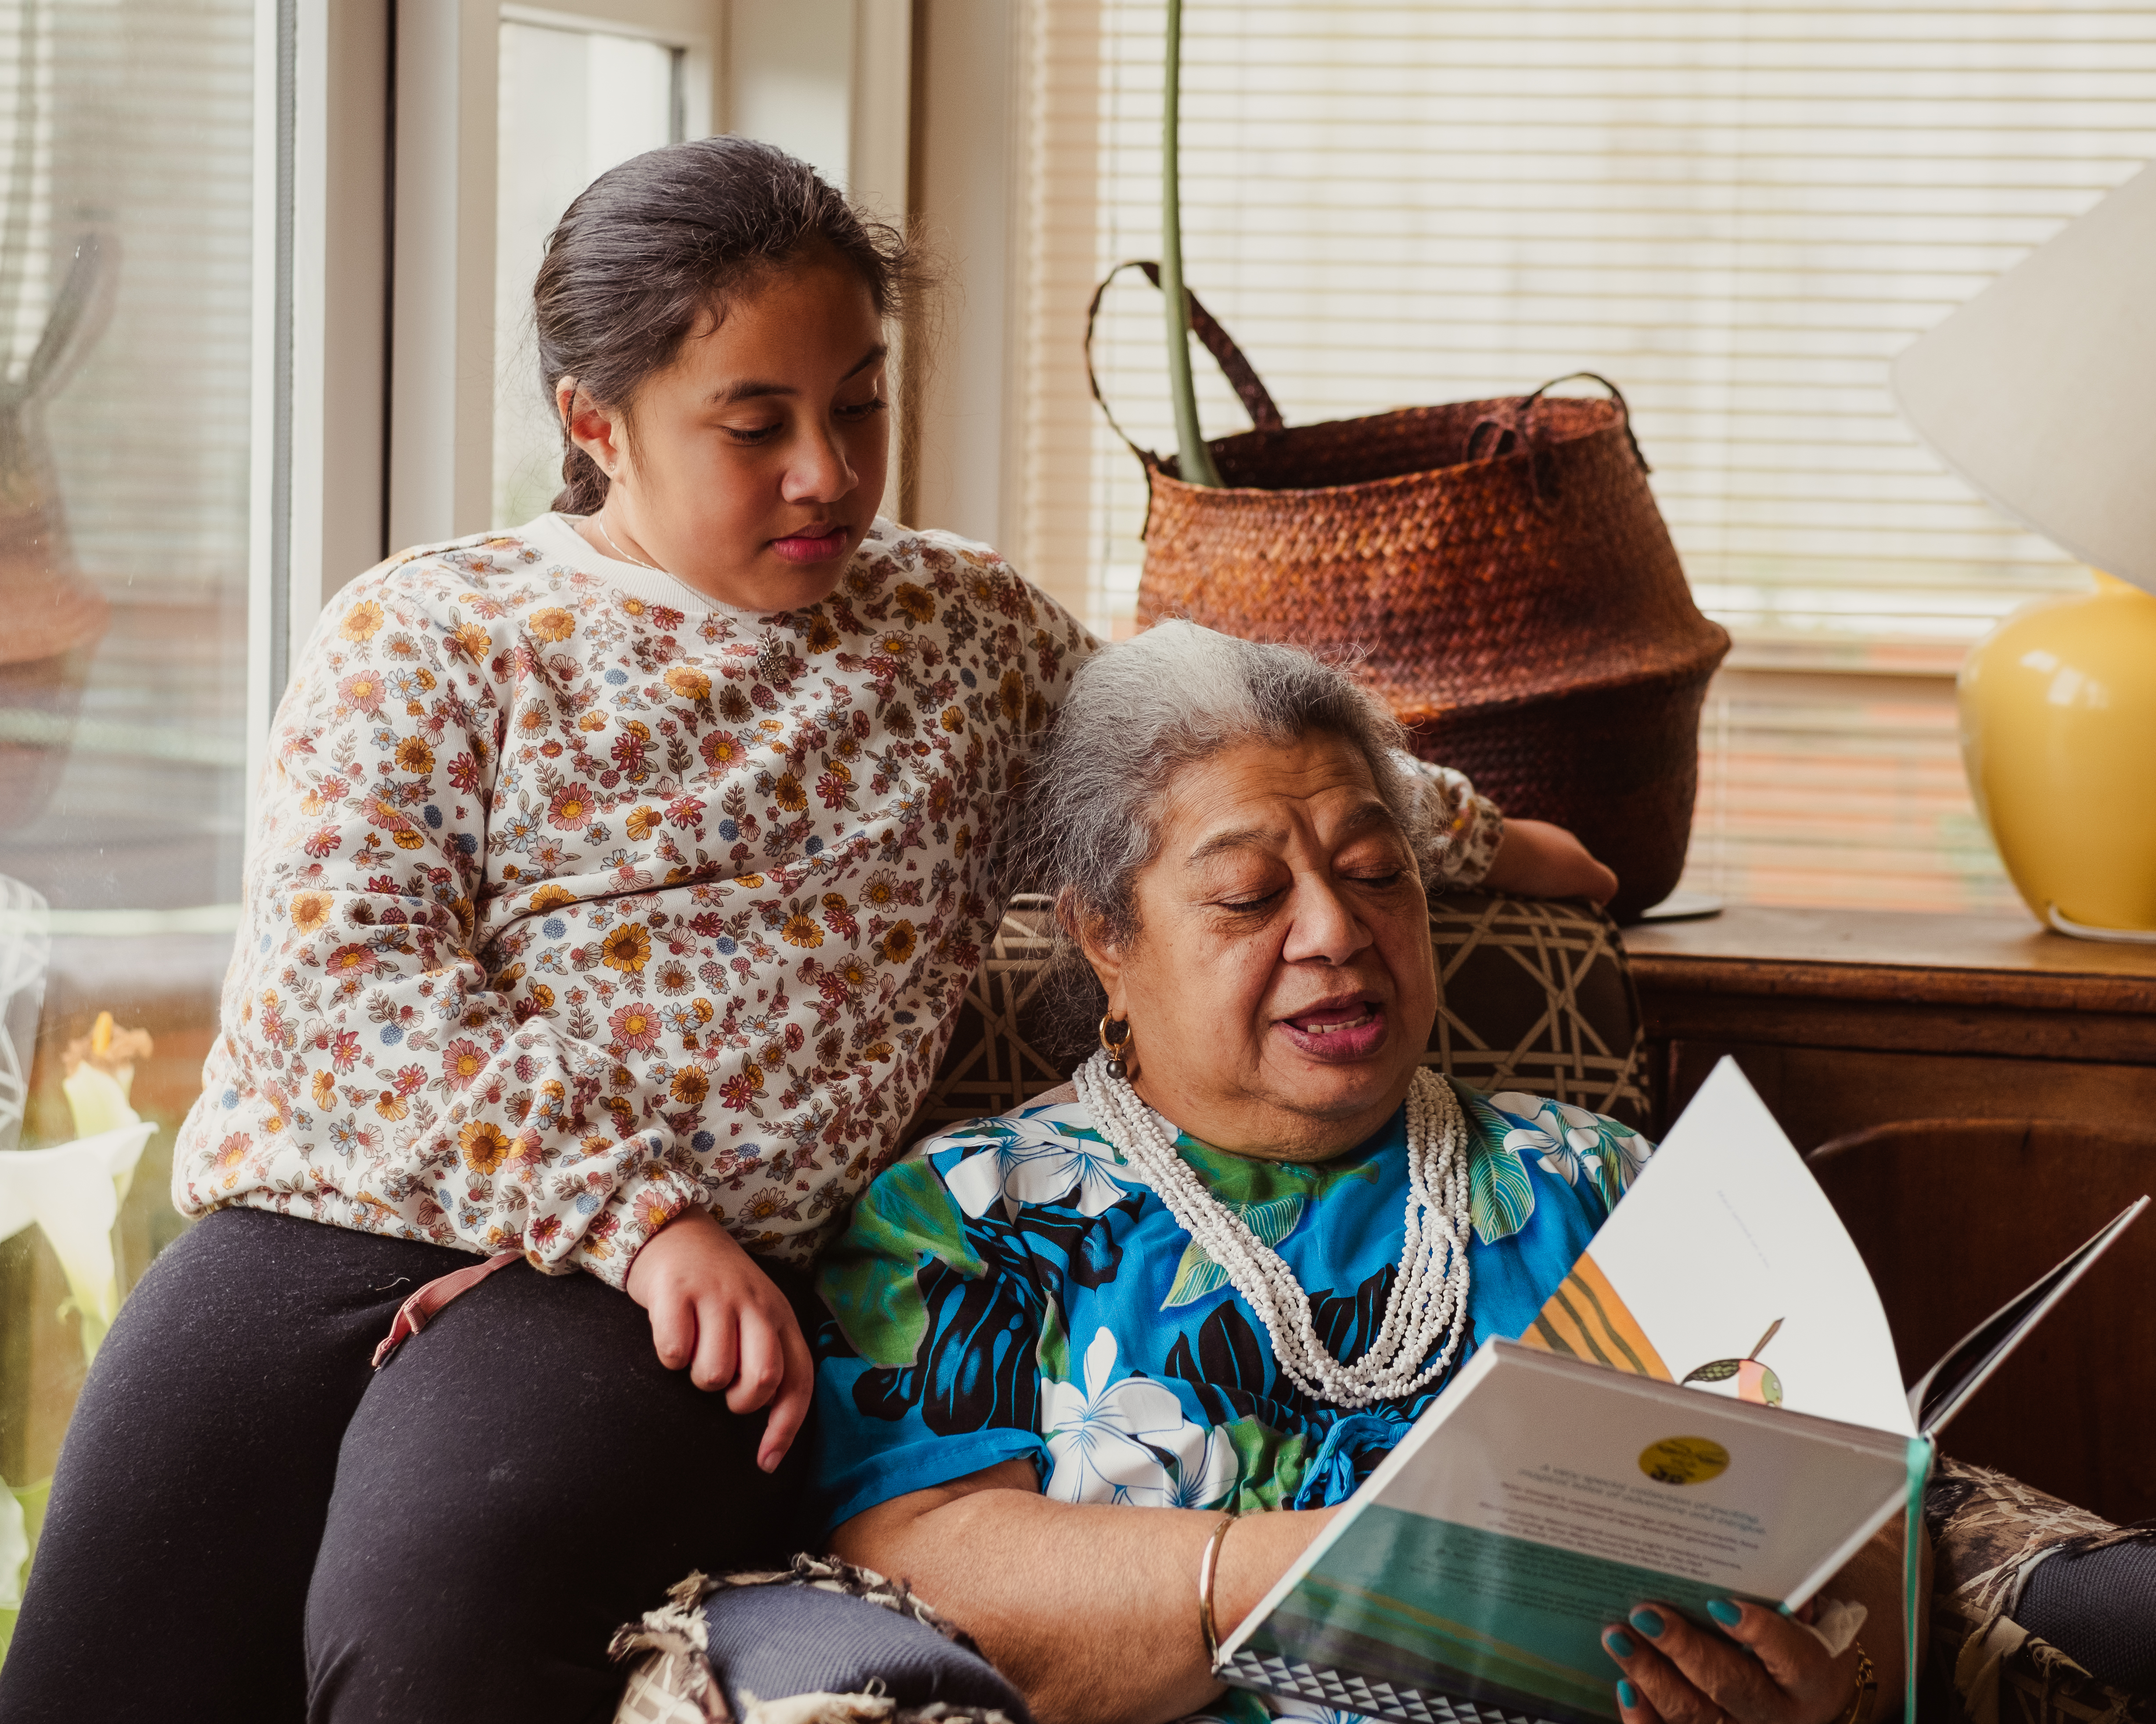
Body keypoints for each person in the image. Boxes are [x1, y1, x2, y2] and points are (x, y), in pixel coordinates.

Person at [0, 141, 1611, 1722]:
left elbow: (1193, 759)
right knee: (102, 1663)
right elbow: (353, 987)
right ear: (594, 422)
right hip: (331, 1229)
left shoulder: (957, 631)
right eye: (754, 424)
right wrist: (631, 1206)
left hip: (657, 1314)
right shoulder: (428, 632)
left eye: (858, 401)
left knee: (429, 1625)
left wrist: (1459, 830)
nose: (827, 470)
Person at [807, 621, 1915, 1724]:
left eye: (1378, 873)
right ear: (1106, 933)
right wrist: (1367, 1567)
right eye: (1248, 893)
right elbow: (924, 1576)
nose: (1337, 928)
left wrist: (1840, 1689)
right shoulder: (966, 1216)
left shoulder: (1604, 1175)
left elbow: (1855, 1520)